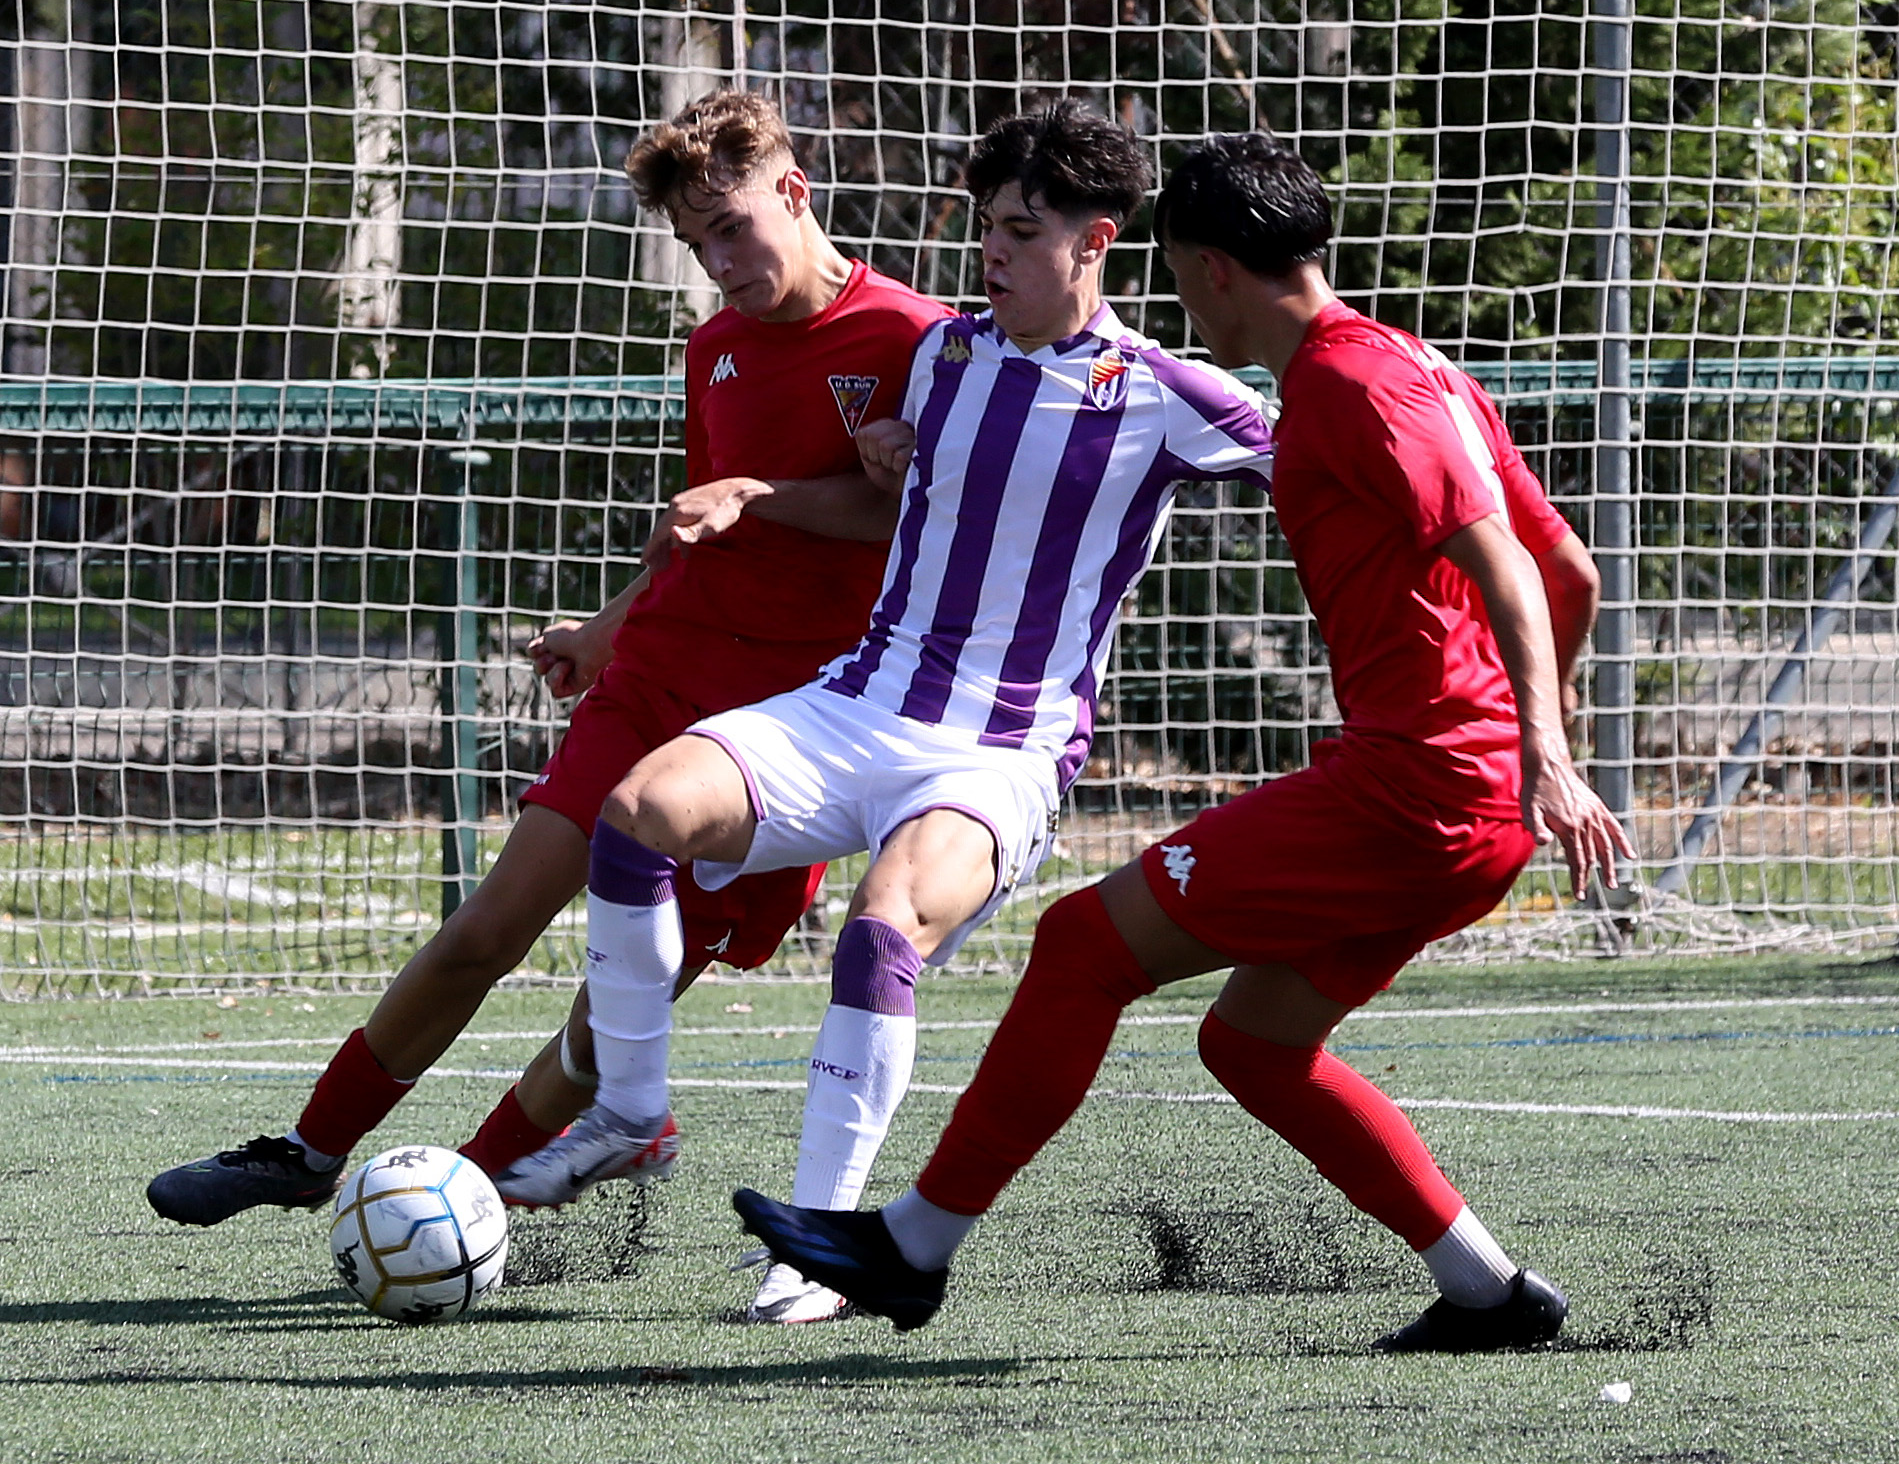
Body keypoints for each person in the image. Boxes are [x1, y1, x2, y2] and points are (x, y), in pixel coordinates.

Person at [732, 131, 1632, 1353]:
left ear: (1210, 270)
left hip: (1415, 786)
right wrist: (1526, 750)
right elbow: (1568, 567)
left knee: (1081, 946)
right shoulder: (1410, 359)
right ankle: (1488, 1291)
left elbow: (1514, 570)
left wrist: (1539, 752)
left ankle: (909, 1250)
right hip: (1460, 799)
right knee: (1253, 1045)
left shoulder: (1353, 387)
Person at [145, 92, 947, 1324]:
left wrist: (762, 490)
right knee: (490, 921)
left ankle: (458, 1198)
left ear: (793, 189)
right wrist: (603, 629)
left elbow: (900, 519)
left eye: (733, 229)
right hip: (661, 680)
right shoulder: (714, 347)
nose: (722, 265)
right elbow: (701, 528)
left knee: (609, 1014)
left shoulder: (916, 339)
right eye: (698, 246)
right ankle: (306, 1155)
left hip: (793, 735)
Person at [494, 105, 1277, 1332]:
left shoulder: (1170, 396)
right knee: (638, 814)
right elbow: (854, 461)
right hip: (860, 699)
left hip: (1002, 747)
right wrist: (810, 475)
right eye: (983, 228)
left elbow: (1331, 460)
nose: (992, 252)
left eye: (1021, 231)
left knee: (880, 927)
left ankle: (813, 1253)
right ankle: (632, 1111)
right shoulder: (939, 355)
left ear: (1095, 244)